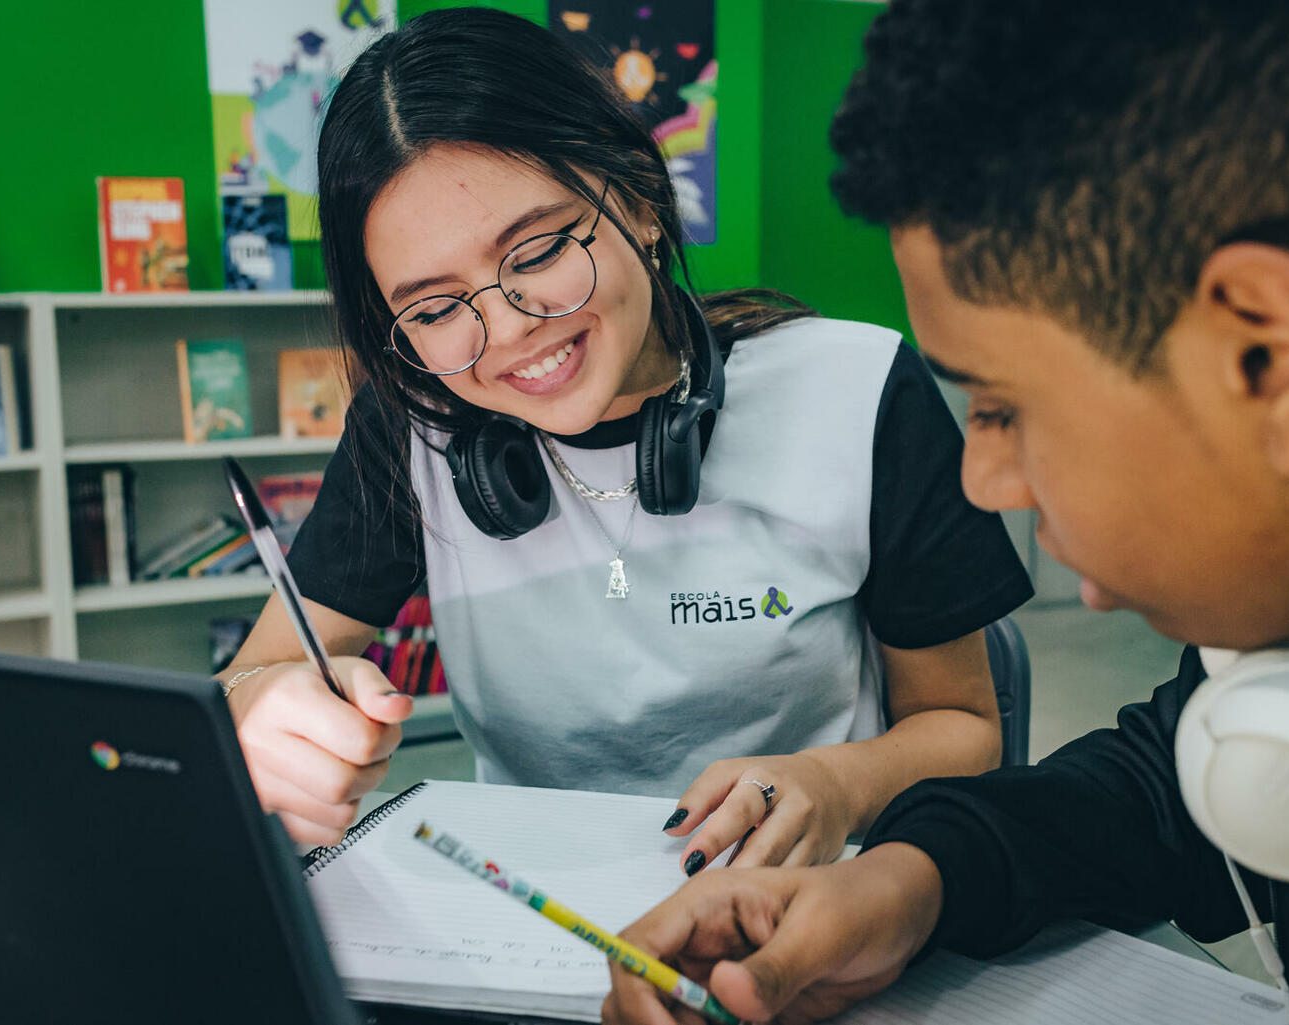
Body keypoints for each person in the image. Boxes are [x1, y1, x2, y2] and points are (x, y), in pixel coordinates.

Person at [602, 2, 1289, 1024]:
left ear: (1270, 356)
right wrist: (903, 884)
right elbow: (1156, 791)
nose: (986, 479)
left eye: (999, 406)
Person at [216, 5, 1032, 875]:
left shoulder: (857, 391)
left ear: (640, 200)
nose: (508, 331)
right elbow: (253, 673)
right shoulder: (412, 427)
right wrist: (266, 706)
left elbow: (967, 730)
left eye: (534, 253)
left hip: (809, 914)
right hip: (534, 921)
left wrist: (833, 784)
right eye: (436, 307)